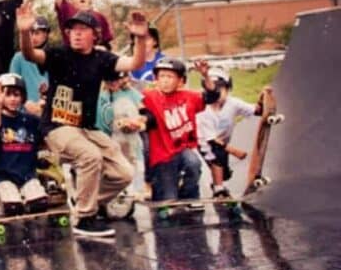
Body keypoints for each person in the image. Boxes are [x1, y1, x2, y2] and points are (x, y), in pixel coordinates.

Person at [16, 2, 148, 237]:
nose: (75, 33)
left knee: (124, 173)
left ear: (95, 35)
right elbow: (29, 53)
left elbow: (134, 64)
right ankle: (85, 219)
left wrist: (139, 39)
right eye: (72, 29)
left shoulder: (101, 58)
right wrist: (24, 31)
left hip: (86, 128)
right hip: (57, 126)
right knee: (90, 156)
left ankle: (85, 202)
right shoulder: (59, 54)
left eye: (82, 29)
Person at [134, 58, 219, 203]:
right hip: (161, 155)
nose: (165, 81)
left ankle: (189, 195)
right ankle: (165, 195)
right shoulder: (149, 97)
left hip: (182, 149)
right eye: (162, 76)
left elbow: (212, 96)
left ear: (181, 81)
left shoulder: (188, 97)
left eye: (170, 77)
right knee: (168, 200)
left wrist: (205, 75)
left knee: (194, 164)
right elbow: (131, 96)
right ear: (156, 79)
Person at [197, 68, 270, 198]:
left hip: (222, 141)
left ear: (228, 89)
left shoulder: (233, 103)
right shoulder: (203, 110)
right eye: (213, 90)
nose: (217, 93)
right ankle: (219, 188)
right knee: (216, 156)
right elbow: (212, 141)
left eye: (220, 89)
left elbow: (256, 111)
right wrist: (235, 151)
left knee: (224, 174)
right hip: (205, 141)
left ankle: (219, 180)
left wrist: (263, 99)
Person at [0, 73, 48, 215]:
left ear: (23, 97)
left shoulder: (30, 120)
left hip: (28, 175)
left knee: (39, 205)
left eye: (17, 95)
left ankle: (24, 197)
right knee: (13, 209)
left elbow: (44, 138)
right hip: (4, 176)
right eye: (8, 95)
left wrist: (44, 108)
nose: (13, 99)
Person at [96, 72, 147, 199]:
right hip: (113, 136)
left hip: (132, 137)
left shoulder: (130, 93)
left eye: (117, 79)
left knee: (135, 162)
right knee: (116, 165)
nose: (113, 83)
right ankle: (118, 193)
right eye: (110, 80)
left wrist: (139, 122)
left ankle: (135, 191)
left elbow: (144, 111)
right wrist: (118, 123)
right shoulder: (103, 96)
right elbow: (102, 119)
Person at [8, 16, 51, 116]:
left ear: (45, 35)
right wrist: (25, 103)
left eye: (37, 33)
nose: (33, 37)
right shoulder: (19, 57)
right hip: (24, 107)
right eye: (30, 33)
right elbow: (13, 86)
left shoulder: (53, 56)